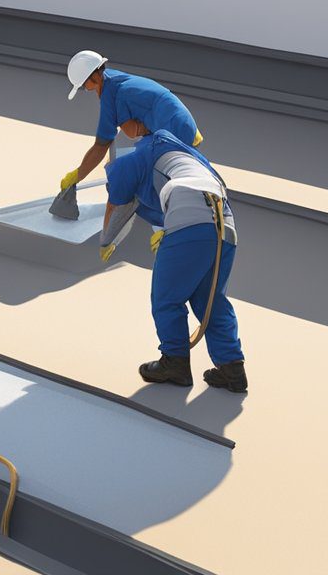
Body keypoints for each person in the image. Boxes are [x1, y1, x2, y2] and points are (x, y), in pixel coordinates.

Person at [100, 120, 247, 393]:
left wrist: (105, 240)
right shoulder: (177, 151)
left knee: (166, 298)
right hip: (225, 223)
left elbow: (118, 207)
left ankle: (175, 362)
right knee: (211, 299)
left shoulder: (124, 164)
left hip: (189, 220)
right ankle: (232, 369)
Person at [59, 50, 203, 193]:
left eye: (83, 86)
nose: (85, 89)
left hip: (175, 133)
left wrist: (78, 175)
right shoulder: (112, 77)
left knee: (133, 177)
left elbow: (102, 145)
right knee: (130, 160)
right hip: (184, 121)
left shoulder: (111, 96)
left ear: (93, 78)